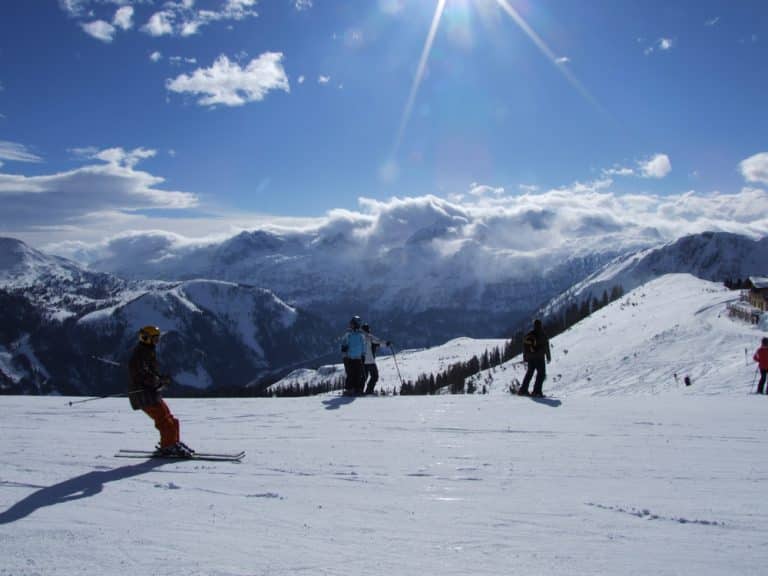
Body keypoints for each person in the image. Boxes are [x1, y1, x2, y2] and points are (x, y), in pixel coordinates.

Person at [128, 325, 193, 457]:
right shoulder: (140, 354)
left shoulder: (147, 351)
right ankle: (168, 446)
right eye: (155, 339)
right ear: (147, 339)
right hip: (143, 395)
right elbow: (143, 375)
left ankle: (173, 442)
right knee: (164, 420)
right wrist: (159, 381)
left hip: (150, 394)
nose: (157, 342)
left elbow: (150, 373)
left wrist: (160, 379)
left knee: (170, 418)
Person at [518, 319, 551, 398]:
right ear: (540, 325)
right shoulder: (542, 334)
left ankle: (523, 390)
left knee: (529, 373)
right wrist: (548, 357)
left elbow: (525, 346)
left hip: (530, 358)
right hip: (539, 357)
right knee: (541, 374)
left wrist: (525, 357)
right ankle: (537, 391)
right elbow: (546, 346)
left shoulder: (530, 334)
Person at [361, 323, 390, 395]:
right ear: (368, 330)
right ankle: (369, 391)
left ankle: (359, 390)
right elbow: (379, 342)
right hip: (370, 361)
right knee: (374, 376)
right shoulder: (370, 337)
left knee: (364, 377)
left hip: (362, 360)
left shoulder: (359, 338)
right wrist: (387, 343)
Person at [340, 316, 366, 395]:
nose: (350, 325)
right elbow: (344, 342)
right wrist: (344, 348)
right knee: (350, 373)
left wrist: (363, 354)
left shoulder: (360, 334)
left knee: (358, 374)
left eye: (352, 324)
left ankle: (357, 389)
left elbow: (363, 345)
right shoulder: (348, 334)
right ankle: (349, 389)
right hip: (349, 357)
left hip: (358, 357)